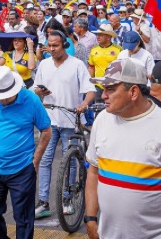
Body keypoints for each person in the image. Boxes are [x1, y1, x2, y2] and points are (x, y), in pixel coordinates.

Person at [84, 59, 161, 239]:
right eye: (103, 89)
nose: (103, 95)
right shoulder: (102, 120)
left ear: (133, 92)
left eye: (110, 89)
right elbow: (94, 172)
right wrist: (91, 218)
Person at [0, 67, 52, 239]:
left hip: (22, 168)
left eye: (6, 96)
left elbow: (46, 130)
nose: (2, 100)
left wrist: (35, 161)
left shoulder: (31, 100)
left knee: (24, 219)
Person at [32, 30, 96, 219]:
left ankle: (68, 198)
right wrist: (39, 92)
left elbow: (90, 90)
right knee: (45, 160)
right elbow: (35, 87)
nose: (51, 49)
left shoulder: (77, 65)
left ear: (65, 45)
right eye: (49, 45)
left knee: (71, 162)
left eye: (55, 45)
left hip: (71, 120)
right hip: (48, 121)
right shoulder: (43, 64)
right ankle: (43, 201)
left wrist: (84, 104)